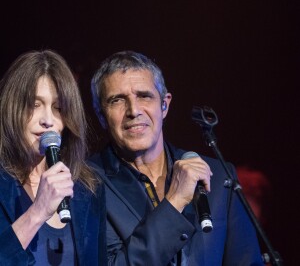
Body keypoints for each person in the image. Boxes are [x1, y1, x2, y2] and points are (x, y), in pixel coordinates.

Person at [89, 50, 263, 265]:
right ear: (100, 115)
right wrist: (175, 201)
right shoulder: (88, 183)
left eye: (144, 96)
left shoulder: (218, 177)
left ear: (165, 105)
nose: (133, 110)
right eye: (117, 100)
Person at [0, 50, 107, 265]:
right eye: (34, 105)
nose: (48, 120)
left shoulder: (88, 187)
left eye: (58, 108)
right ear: (12, 108)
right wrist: (38, 211)